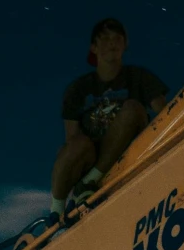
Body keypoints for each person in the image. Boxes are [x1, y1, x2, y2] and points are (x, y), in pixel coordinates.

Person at [51, 18, 168, 219]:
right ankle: (55, 214)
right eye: (104, 39)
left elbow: (167, 115)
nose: (112, 43)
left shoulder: (139, 77)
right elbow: (71, 139)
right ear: (93, 47)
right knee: (74, 145)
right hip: (90, 155)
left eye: (117, 38)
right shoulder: (77, 90)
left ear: (125, 44)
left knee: (132, 108)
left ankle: (93, 179)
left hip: (129, 151)